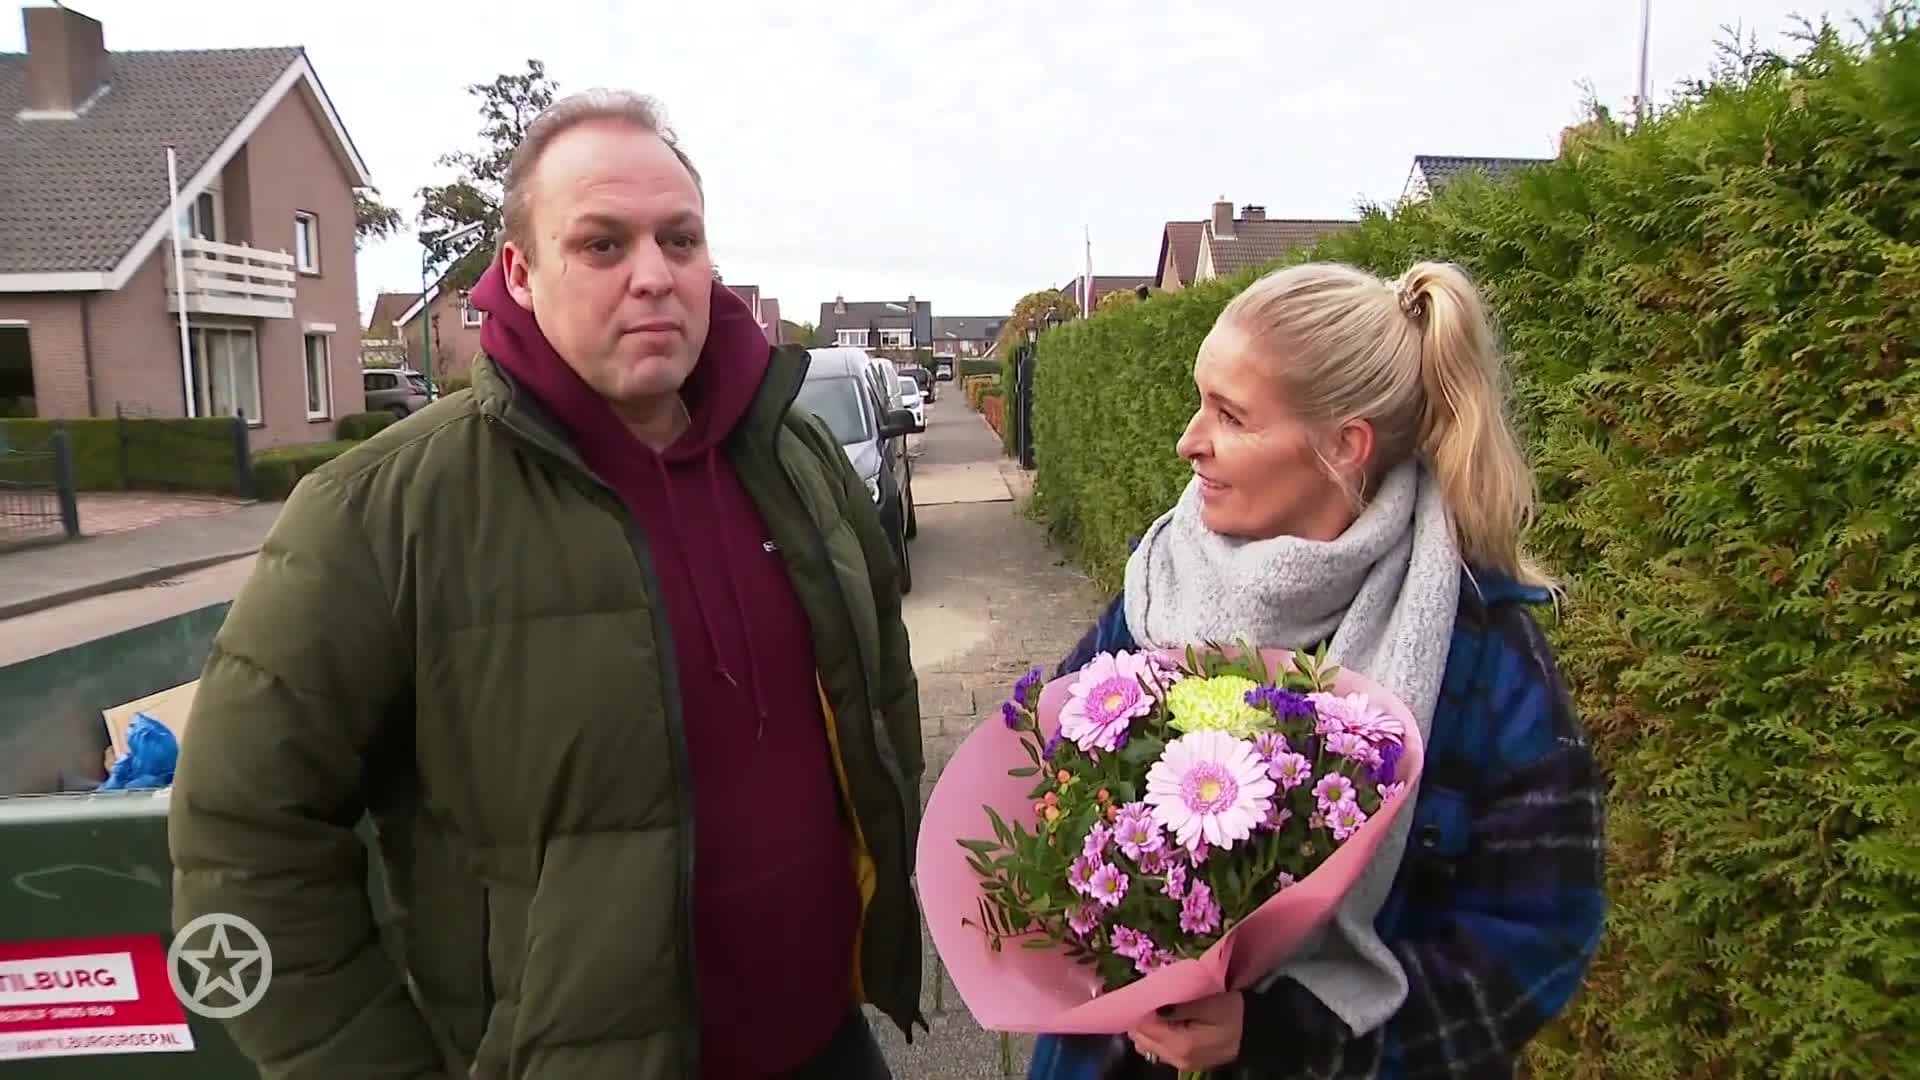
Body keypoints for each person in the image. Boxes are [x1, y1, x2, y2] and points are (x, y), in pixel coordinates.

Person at [167, 88, 926, 1080]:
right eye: (603, 245)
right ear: (519, 274)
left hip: (829, 1049)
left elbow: (885, 701)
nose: (654, 276)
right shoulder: (381, 513)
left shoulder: (800, 457)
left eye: (680, 240)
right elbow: (243, 839)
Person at [1024, 262, 1608, 1079]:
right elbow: (1043, 786)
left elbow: (1540, 935)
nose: (1189, 440)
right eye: (1202, 402)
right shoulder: (1159, 584)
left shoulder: (1483, 654)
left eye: (1230, 416)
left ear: (1344, 445)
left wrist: (1285, 1036)